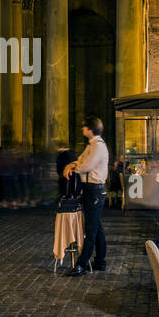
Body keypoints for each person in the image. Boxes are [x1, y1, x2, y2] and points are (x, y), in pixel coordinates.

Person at [62, 116, 109, 276]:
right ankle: (100, 261)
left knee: (91, 229)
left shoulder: (98, 146)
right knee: (97, 227)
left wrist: (71, 167)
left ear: (90, 129)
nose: (82, 130)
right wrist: (72, 164)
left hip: (94, 189)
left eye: (84, 127)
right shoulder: (93, 145)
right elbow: (81, 160)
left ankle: (81, 264)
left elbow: (85, 165)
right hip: (91, 189)